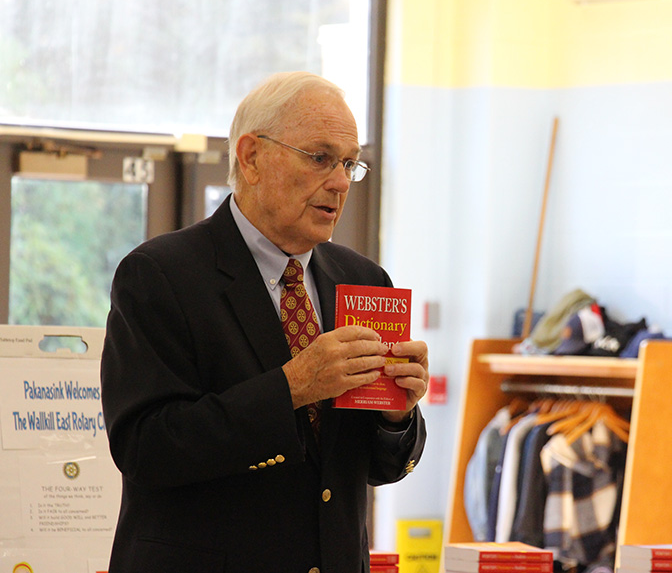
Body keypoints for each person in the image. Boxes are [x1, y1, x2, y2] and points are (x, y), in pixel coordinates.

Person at [100, 72, 428, 573]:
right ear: (251, 157)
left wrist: (396, 416)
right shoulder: (159, 275)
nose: (340, 182)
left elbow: (376, 467)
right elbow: (146, 448)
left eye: (349, 163)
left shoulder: (363, 280)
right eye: (320, 158)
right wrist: (291, 386)